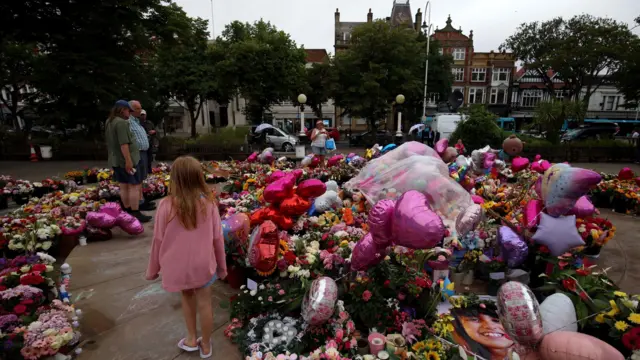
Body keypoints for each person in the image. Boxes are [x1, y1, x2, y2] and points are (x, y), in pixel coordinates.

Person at [145, 156, 227, 359]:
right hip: (203, 265)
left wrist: (153, 269)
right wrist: (222, 267)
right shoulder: (209, 204)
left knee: (187, 297)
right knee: (205, 303)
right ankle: (206, 345)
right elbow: (218, 239)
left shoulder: (165, 206)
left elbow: (158, 240)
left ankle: (191, 338)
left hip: (176, 266)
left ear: (175, 179)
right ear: (199, 177)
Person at [105, 100, 151, 222]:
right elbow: (124, 144)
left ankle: (127, 211)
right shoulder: (121, 123)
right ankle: (135, 212)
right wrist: (129, 161)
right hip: (126, 159)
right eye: (128, 111)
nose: (129, 114)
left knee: (124, 185)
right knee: (134, 185)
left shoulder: (109, 122)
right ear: (122, 110)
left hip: (116, 159)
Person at [128, 100, 155, 212]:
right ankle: (138, 204)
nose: (140, 110)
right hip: (137, 153)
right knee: (137, 179)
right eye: (138, 108)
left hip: (143, 152)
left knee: (141, 178)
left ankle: (142, 200)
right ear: (132, 109)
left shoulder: (136, 121)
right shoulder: (128, 122)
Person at [139, 109, 157, 175]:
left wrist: (154, 132)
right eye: (141, 115)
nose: (143, 116)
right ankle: (143, 172)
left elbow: (155, 131)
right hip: (142, 145)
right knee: (142, 159)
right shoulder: (138, 124)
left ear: (146, 115)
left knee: (149, 158)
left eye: (144, 115)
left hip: (150, 143)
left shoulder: (149, 123)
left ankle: (149, 171)